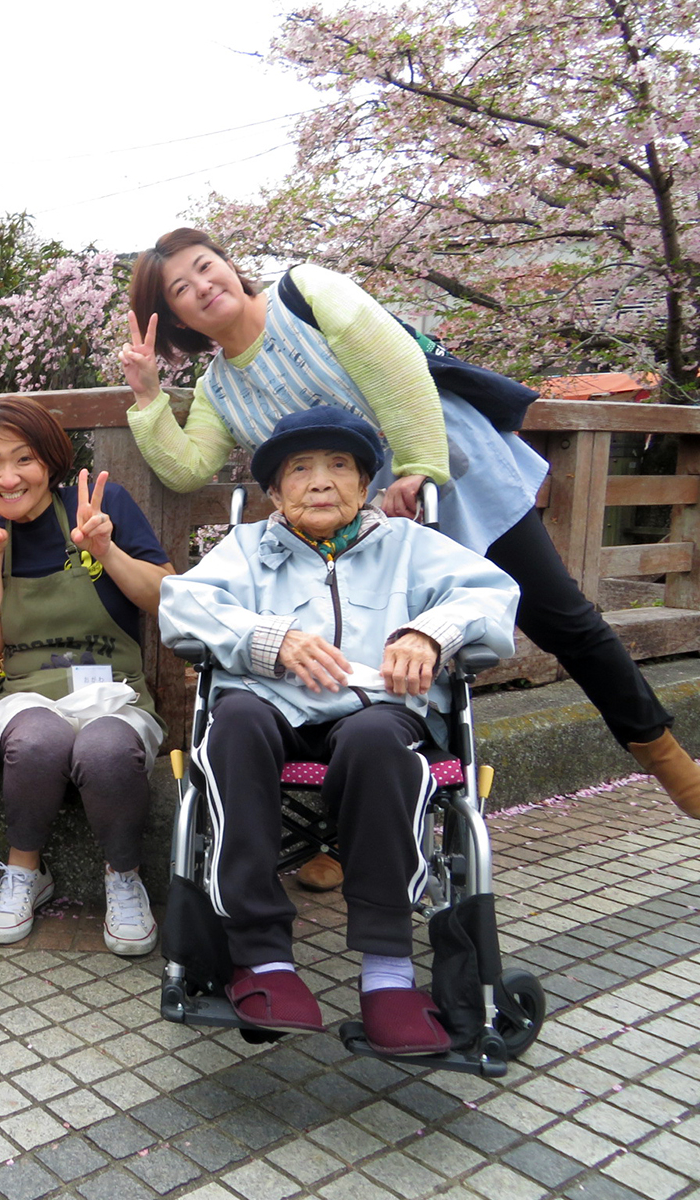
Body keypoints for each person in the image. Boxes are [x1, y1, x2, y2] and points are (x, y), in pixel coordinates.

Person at [123, 228, 700, 891]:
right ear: (178, 320)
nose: (203, 286)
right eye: (182, 290)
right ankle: (349, 832)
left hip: (443, 474)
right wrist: (147, 397)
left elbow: (397, 365)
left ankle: (665, 756)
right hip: (357, 527)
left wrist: (419, 467)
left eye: (206, 266)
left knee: (558, 614)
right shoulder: (222, 387)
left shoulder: (305, 291)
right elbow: (188, 466)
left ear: (229, 264)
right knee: (360, 653)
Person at [159, 408, 520, 1054]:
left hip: (378, 713)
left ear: (364, 484)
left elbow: (492, 596)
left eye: (339, 467)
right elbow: (182, 606)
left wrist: (429, 632)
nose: (321, 482)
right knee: (232, 725)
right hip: (270, 708)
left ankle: (387, 973)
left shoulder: (410, 545)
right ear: (275, 491)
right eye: (301, 469)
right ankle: (263, 958)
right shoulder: (247, 550)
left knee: (378, 741)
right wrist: (268, 639)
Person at [0, 397, 173, 955]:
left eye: (24, 459)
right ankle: (25, 873)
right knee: (40, 741)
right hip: (24, 691)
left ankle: (124, 878)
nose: (9, 476)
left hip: (111, 689)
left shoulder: (100, 505)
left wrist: (105, 549)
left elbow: (165, 596)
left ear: (50, 459)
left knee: (106, 751)